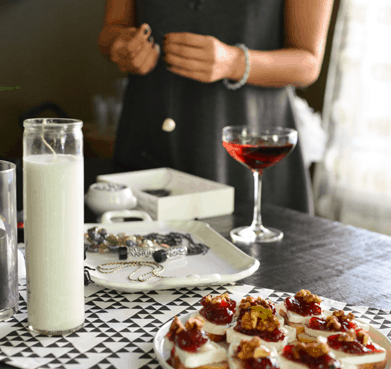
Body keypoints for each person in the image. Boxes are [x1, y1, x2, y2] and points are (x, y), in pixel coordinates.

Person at [98, 0, 333, 214]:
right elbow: (111, 31)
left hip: (248, 151)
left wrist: (234, 62)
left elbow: (308, 62)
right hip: (148, 142)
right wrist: (122, 47)